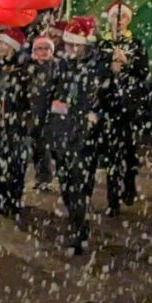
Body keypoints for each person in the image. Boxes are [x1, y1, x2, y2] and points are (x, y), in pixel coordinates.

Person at [44, 17, 102, 254]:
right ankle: (77, 220)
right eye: (69, 44)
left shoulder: (96, 67)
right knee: (67, 184)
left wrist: (91, 114)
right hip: (61, 133)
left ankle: (78, 231)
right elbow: (52, 95)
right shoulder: (61, 66)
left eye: (76, 45)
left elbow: (100, 99)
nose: (72, 49)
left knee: (80, 185)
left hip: (83, 136)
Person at [96, 0, 150, 212]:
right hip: (109, 105)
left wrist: (129, 63)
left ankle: (128, 184)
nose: (119, 21)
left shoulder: (136, 44)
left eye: (123, 17)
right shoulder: (102, 44)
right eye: (116, 17)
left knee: (128, 150)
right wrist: (110, 67)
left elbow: (144, 71)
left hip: (129, 106)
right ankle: (112, 199)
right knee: (110, 154)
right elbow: (96, 72)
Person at [0, 28, 30, 220]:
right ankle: (0, 198)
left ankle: (15, 198)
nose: (1, 47)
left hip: (17, 124)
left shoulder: (23, 70)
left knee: (16, 163)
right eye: (0, 43)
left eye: (5, 44)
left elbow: (28, 98)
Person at [27, 34, 59, 191]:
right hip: (34, 112)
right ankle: (42, 176)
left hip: (52, 112)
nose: (43, 51)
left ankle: (52, 175)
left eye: (46, 48)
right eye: (39, 48)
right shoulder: (29, 68)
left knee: (51, 145)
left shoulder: (58, 67)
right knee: (39, 145)